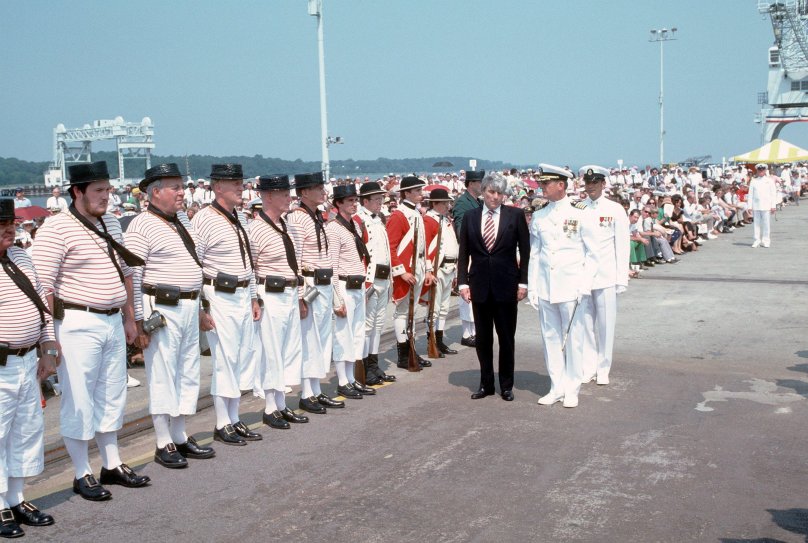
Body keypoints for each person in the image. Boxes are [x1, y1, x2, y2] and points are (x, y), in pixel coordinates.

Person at [32, 161, 150, 500]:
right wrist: (49, 337)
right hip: (76, 321)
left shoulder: (111, 222)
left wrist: (129, 317)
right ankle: (82, 472)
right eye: (98, 191)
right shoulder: (56, 229)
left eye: (108, 189)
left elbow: (126, 273)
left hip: (113, 318)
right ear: (77, 192)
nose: (106, 197)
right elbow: (44, 287)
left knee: (112, 393)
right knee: (79, 398)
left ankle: (112, 463)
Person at [125, 163, 215, 468]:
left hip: (188, 305)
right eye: (175, 187)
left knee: (187, 372)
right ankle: (163, 441)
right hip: (161, 307)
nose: (182, 192)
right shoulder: (141, 225)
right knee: (163, 374)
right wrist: (137, 322)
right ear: (154, 192)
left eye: (182, 186)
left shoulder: (181, 223)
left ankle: (179, 435)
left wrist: (202, 308)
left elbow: (194, 269)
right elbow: (134, 276)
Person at [192, 163, 262, 446]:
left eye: (241, 183)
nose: (240, 188)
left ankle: (234, 418)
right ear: (217, 187)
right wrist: (202, 306)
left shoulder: (240, 218)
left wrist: (254, 296)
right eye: (234, 184)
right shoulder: (203, 219)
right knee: (224, 359)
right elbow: (194, 265)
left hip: (243, 294)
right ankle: (222, 422)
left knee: (241, 357)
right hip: (219, 294)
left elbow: (249, 263)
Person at [0, 198, 56, 537]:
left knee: (25, 431)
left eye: (10, 222)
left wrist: (48, 346)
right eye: (1, 224)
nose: (10, 228)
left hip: (27, 360)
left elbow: (42, 306)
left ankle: (17, 497)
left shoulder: (20, 255)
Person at [527, 164, 598, 409]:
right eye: (541, 183)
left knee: (574, 339)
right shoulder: (539, 216)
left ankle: (572, 388)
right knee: (550, 339)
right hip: (547, 287)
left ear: (561, 185)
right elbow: (535, 254)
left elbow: (593, 253)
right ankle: (556, 386)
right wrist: (533, 287)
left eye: (546, 183)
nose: (542, 187)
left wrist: (585, 285)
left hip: (572, 287)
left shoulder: (581, 212)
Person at [457, 172, 530, 401]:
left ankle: (506, 385)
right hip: (479, 286)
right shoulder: (470, 217)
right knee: (483, 340)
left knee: (507, 339)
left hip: (507, 286)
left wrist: (523, 282)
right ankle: (486, 383)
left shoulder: (515, 215)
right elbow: (464, 253)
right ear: (483, 192)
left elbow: (526, 252)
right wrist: (462, 283)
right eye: (491, 192)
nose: (495, 197)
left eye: (499, 193)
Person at [248, 174, 310, 429]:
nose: (289, 198)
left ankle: (281, 404)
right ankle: (271, 407)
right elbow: (249, 267)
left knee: (287, 350)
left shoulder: (287, 226)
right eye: (284, 194)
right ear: (268, 196)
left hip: (288, 293)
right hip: (268, 293)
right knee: (271, 352)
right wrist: (253, 298)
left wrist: (299, 298)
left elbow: (294, 266)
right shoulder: (255, 229)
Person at [286, 172, 345, 414]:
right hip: (310, 281)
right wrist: (300, 295)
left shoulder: (317, 217)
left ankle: (316, 390)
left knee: (321, 339)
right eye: (317, 188)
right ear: (304, 193)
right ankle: (307, 393)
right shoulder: (298, 219)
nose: (323, 191)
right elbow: (296, 259)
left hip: (323, 281)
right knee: (309, 340)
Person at [579, 167, 629, 386]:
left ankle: (603, 367)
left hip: (607, 275)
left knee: (606, 326)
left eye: (594, 183)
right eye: (587, 183)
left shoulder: (615, 209)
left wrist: (621, 279)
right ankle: (589, 366)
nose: (590, 186)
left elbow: (622, 245)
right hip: (584, 276)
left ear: (603, 184)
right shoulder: (579, 208)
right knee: (586, 324)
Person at [326, 184, 376, 398]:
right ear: (338, 204)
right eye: (349, 201)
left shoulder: (353, 225)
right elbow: (333, 265)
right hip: (344, 285)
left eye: (356, 200)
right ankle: (343, 380)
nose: (354, 204)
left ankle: (352, 378)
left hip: (356, 285)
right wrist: (337, 298)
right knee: (342, 335)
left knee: (356, 335)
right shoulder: (333, 228)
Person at [386, 176, 435, 369]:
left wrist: (428, 270)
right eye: (416, 191)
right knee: (402, 313)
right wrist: (401, 272)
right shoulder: (398, 216)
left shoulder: (416, 213)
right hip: (406, 272)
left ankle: (412, 350)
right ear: (406, 193)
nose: (420, 194)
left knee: (412, 313)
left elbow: (423, 247)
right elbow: (391, 247)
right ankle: (404, 354)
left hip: (419, 269)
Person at [356, 181, 396, 385]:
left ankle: (373, 363)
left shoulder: (379, 220)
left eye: (381, 199)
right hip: (370, 280)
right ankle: (363, 366)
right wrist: (364, 282)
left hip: (383, 278)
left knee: (378, 324)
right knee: (367, 325)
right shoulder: (358, 220)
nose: (380, 202)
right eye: (376, 199)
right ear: (365, 201)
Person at [423, 188, 459, 357]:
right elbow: (426, 248)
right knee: (434, 308)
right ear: (435, 203)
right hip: (438, 269)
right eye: (444, 203)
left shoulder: (445, 220)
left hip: (450, 267)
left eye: (448, 202)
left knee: (444, 308)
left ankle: (440, 339)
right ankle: (432, 341)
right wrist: (429, 270)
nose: (447, 205)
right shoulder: (429, 220)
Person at [451, 170, 484, 347]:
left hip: (477, 251)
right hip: (469, 251)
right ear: (471, 183)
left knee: (475, 293)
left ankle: (475, 331)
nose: (482, 185)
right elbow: (460, 228)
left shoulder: (477, 202)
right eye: (479, 182)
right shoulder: (463, 203)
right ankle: (467, 333)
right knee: (466, 293)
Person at [748, 163, 778, 248]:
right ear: (757, 171)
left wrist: (773, 206)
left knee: (766, 224)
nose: (761, 171)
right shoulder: (753, 181)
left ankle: (766, 240)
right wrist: (749, 206)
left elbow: (773, 194)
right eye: (759, 170)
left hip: (766, 205)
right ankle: (756, 240)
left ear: (765, 171)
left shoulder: (769, 181)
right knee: (756, 224)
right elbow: (750, 195)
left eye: (762, 170)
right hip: (756, 205)